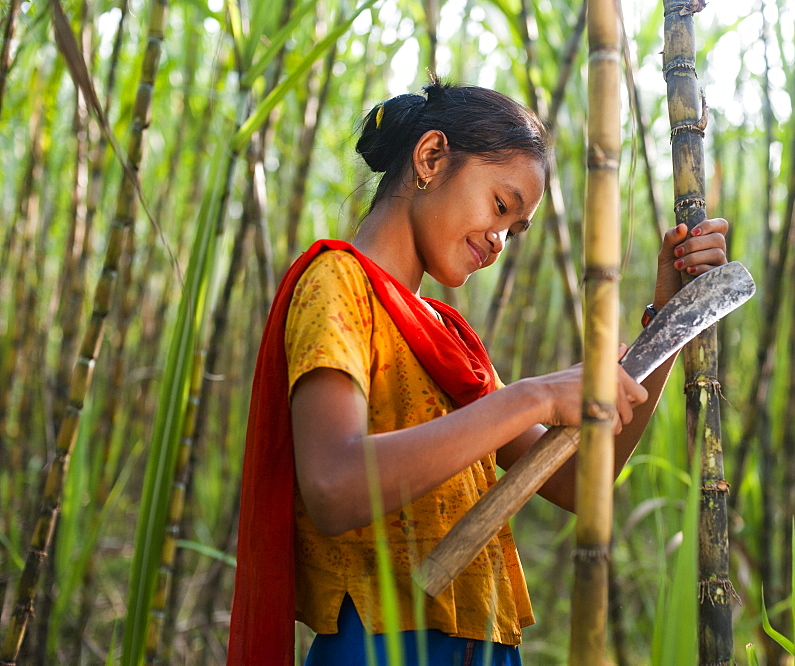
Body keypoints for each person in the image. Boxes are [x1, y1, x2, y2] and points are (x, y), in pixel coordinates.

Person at [227, 80, 729, 665]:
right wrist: (533, 396)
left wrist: (669, 321)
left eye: (514, 230)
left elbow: (581, 484)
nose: (499, 242)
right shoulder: (339, 283)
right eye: (500, 206)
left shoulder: (451, 339)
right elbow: (334, 486)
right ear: (431, 157)